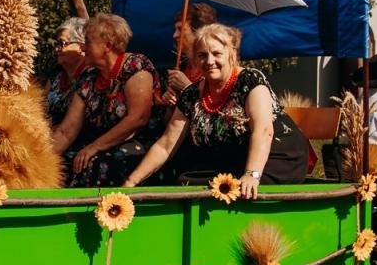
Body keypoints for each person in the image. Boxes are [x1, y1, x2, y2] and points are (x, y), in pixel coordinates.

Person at [124, 24, 307, 197]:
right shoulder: (191, 94)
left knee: (233, 189)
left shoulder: (250, 80)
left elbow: (263, 130)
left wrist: (252, 175)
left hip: (275, 157)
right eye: (202, 55)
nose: (210, 61)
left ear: (231, 54)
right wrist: (131, 183)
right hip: (231, 159)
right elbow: (165, 146)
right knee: (184, 182)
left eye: (217, 53)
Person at [50, 12, 158, 187]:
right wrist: (40, 158)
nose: (83, 47)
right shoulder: (89, 78)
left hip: (134, 143)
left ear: (107, 45)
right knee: (61, 163)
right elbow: (66, 130)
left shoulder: (136, 67)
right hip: (98, 145)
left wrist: (95, 147)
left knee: (93, 165)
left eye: (88, 42)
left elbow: (138, 118)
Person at [156, 1, 220, 107]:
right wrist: (171, 101)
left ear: (198, 32)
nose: (175, 35)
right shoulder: (183, 67)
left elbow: (216, 108)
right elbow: (170, 120)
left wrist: (187, 87)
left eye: (180, 29)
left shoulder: (214, 68)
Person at [42, 16, 88, 127]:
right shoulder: (56, 76)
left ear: (81, 47)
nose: (56, 49)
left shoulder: (89, 78)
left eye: (62, 43)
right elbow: (40, 108)